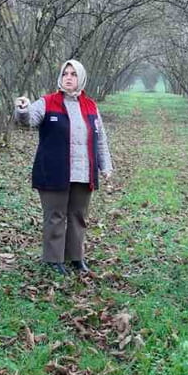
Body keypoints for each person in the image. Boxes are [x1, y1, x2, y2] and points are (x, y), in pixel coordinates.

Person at [14, 60, 114, 274]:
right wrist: (22, 109)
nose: (68, 77)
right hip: (54, 170)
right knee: (55, 215)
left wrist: (106, 166)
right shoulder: (47, 102)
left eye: (73, 74)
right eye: (65, 73)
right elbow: (28, 119)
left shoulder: (91, 106)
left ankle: (75, 257)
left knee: (78, 215)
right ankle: (53, 259)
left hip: (83, 171)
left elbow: (100, 139)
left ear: (81, 78)